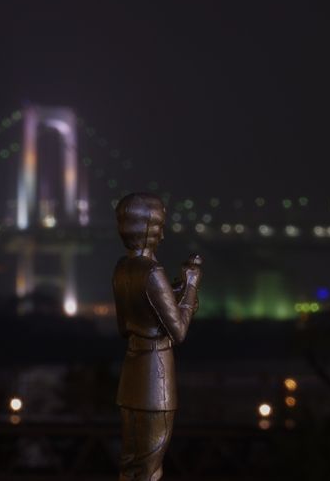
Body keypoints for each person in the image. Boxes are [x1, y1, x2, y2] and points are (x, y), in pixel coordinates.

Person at [113, 192, 202, 481]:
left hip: (131, 377)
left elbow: (125, 326)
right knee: (150, 469)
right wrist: (191, 286)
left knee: (131, 465)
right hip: (156, 381)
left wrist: (171, 294)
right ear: (148, 228)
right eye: (160, 227)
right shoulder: (152, 272)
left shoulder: (122, 269)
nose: (162, 235)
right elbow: (179, 331)